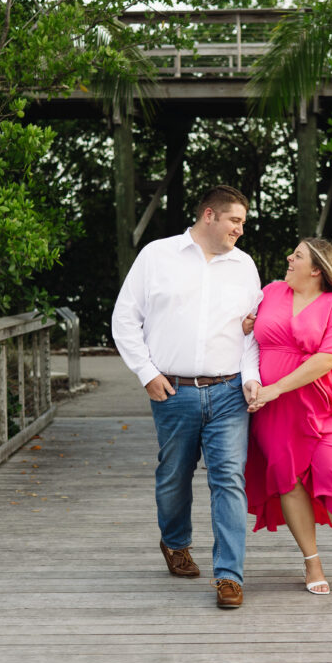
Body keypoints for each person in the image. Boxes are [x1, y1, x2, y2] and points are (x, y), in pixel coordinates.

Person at [111, 185, 262, 609]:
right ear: (209, 215)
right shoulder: (157, 256)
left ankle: (229, 576)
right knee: (174, 476)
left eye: (243, 223)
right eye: (235, 221)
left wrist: (250, 377)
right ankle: (175, 542)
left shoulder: (244, 266)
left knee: (229, 479)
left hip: (230, 391)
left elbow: (253, 332)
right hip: (172, 390)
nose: (240, 230)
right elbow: (125, 320)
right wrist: (147, 373)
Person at [244, 237, 332, 595]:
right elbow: (248, 335)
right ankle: (312, 561)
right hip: (273, 413)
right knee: (288, 483)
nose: (289, 258)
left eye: (298, 255)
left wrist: (276, 388)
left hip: (321, 406)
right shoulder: (271, 292)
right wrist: (244, 326)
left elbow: (329, 358)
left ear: (317, 269)